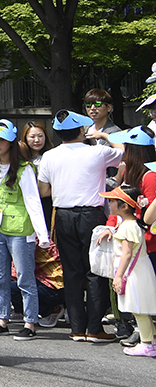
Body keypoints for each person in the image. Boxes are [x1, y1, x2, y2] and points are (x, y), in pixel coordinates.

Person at [38, 109, 124, 343]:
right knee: (95, 270)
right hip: (91, 214)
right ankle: (94, 328)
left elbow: (44, 190)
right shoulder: (97, 152)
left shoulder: (49, 156)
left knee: (72, 272)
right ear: (81, 131)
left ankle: (77, 328)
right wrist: (104, 136)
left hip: (63, 215)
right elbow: (124, 151)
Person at [0, 120, 49, 341]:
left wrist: (42, 234)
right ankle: (2, 318)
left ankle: (30, 322)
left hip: (20, 229)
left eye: (0, 140)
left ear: (11, 143)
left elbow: (32, 200)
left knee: (25, 277)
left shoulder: (25, 168)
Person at [102, 186, 156, 357]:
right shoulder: (133, 224)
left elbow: (126, 253)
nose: (109, 204)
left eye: (112, 201)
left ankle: (146, 343)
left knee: (139, 309)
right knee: (140, 309)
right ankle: (151, 340)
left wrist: (118, 276)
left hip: (133, 273)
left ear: (124, 206)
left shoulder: (128, 227)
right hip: (139, 270)